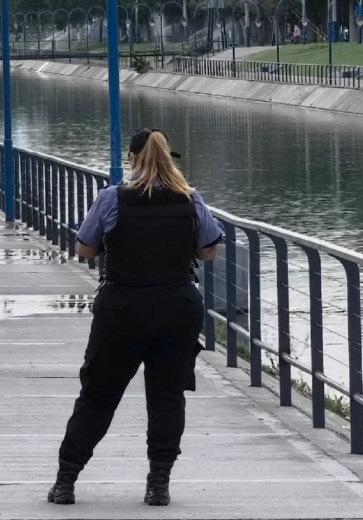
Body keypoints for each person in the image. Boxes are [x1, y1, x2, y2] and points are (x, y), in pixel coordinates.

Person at [48, 128, 223, 507]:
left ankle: (66, 481)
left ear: (132, 158)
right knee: (167, 396)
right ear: (168, 158)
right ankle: (158, 483)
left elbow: (85, 248)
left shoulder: (112, 199)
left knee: (98, 394)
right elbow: (209, 250)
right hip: (177, 306)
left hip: (123, 308)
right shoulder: (191, 200)